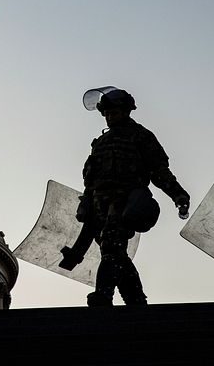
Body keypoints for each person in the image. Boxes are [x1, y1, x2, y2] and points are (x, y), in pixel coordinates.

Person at [66, 89, 190, 307]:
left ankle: (103, 295)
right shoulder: (100, 142)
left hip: (124, 203)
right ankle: (136, 300)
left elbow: (158, 170)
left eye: (114, 111)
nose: (110, 116)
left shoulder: (141, 136)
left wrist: (177, 193)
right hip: (99, 206)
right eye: (107, 113)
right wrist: (86, 204)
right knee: (116, 254)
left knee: (112, 248)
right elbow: (91, 180)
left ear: (126, 111)